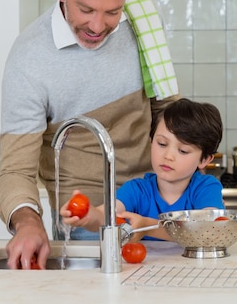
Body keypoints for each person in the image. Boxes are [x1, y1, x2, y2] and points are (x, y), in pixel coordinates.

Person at [0, 0, 179, 269]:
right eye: (86, 9)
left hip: (154, 212)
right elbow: (15, 170)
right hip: (84, 228)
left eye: (112, 11)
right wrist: (27, 222)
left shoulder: (141, 20)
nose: (98, 26)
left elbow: (167, 114)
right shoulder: (29, 60)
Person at [61, 98, 224, 241]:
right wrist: (87, 215)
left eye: (182, 151)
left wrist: (148, 226)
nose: (168, 156)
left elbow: (207, 229)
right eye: (162, 144)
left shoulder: (206, 188)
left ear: (204, 159)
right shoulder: (137, 190)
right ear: (151, 141)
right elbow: (105, 217)